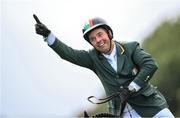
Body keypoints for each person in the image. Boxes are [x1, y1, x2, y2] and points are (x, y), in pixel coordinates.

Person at [34, 15, 175, 117]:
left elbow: (150, 65)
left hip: (151, 106)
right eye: (93, 39)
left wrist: (132, 87)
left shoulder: (130, 47)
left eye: (100, 34)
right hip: (122, 112)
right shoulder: (92, 58)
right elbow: (68, 54)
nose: (98, 40)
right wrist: (48, 35)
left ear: (109, 33)